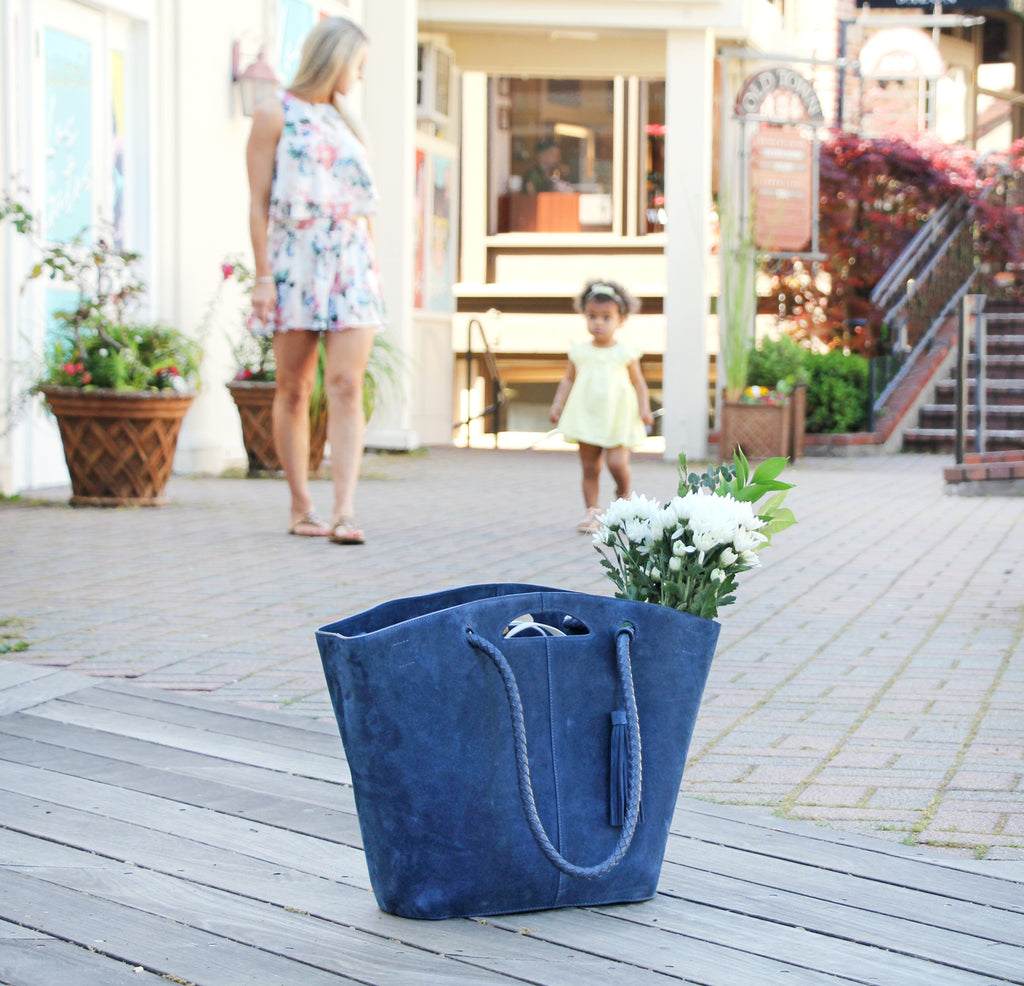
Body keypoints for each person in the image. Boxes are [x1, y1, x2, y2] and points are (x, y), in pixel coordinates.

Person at [246, 16, 384, 545]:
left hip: (351, 262)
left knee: (347, 386)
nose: (362, 75)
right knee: (295, 387)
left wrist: (373, 270)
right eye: (360, 64)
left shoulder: (347, 120)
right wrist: (263, 276)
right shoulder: (272, 112)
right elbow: (258, 203)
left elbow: (364, 203)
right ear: (336, 58)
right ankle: (302, 506)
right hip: (294, 261)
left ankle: (345, 510)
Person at [549, 280, 655, 534]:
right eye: (592, 316)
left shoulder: (625, 353)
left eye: (606, 317)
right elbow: (568, 380)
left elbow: (638, 383)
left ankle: (623, 495)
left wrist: (644, 408)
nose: (598, 322)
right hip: (585, 416)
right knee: (589, 466)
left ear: (620, 320)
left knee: (617, 463)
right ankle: (592, 512)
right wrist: (557, 404)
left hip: (617, 417)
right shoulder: (580, 351)